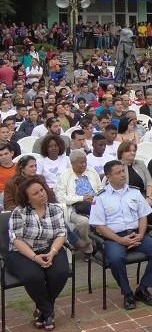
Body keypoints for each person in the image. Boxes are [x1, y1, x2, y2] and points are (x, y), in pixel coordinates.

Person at [89, 160, 152, 310]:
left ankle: (142, 289)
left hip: (135, 234)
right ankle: (127, 293)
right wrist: (120, 240)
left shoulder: (134, 192)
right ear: (108, 177)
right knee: (116, 258)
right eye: (118, 173)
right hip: (113, 238)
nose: (123, 175)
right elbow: (99, 226)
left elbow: (143, 216)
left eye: (123, 171)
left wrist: (141, 234)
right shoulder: (100, 197)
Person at [8, 177, 70, 331]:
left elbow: (61, 234)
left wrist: (52, 252)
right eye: (36, 193)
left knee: (61, 272)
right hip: (24, 251)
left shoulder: (55, 209)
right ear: (27, 199)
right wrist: (35, 257)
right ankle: (48, 312)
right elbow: (17, 240)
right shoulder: (19, 212)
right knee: (33, 276)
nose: (42, 194)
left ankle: (41, 310)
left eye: (42, 190)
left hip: (50, 248)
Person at [54, 150, 100, 258]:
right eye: (81, 162)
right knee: (84, 222)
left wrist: (95, 196)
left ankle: (100, 244)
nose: (84, 165)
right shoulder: (66, 175)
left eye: (85, 162)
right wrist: (81, 198)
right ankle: (88, 249)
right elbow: (60, 197)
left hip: (95, 204)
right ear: (72, 163)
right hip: (74, 207)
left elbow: (100, 187)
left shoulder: (91, 172)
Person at [117, 141, 152, 225]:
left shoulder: (140, 164)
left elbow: (149, 182)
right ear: (121, 153)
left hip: (143, 195)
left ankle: (143, 231)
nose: (132, 153)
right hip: (126, 196)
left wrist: (149, 197)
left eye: (134, 150)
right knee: (135, 211)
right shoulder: (117, 166)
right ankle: (140, 231)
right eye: (129, 151)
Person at [0, 142, 15, 209]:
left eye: (6, 153)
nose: (3, 157)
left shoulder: (20, 168)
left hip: (17, 195)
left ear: (12, 153)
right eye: (0, 155)